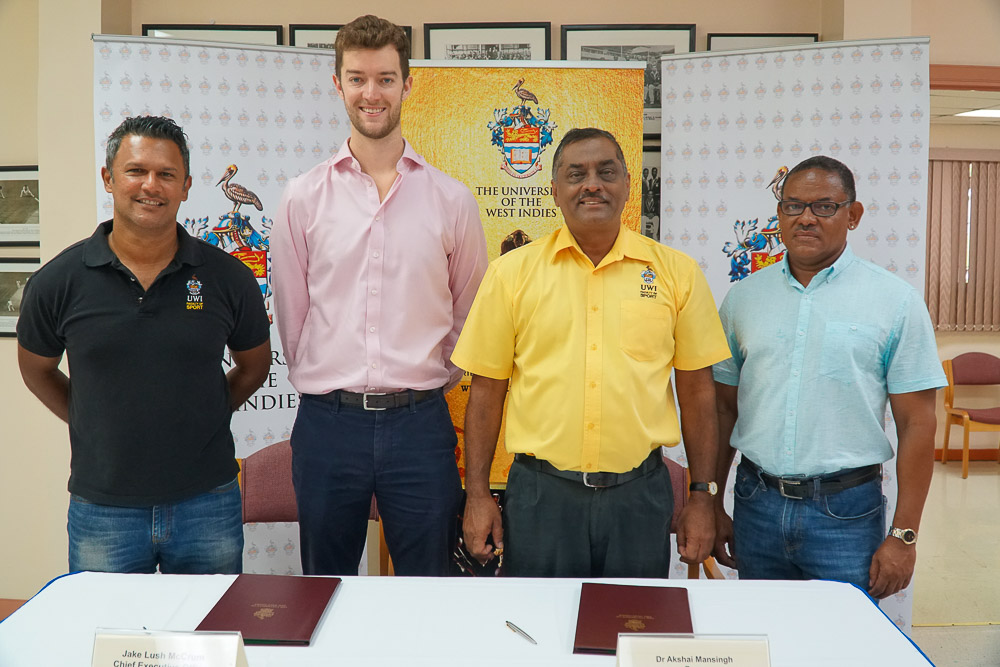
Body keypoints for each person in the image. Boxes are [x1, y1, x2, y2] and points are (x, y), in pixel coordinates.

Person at [452, 128, 731, 577]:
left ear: (626, 185)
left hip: (639, 498)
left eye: (607, 171)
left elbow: (699, 394)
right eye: (575, 174)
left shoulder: (677, 273)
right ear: (555, 192)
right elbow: (486, 392)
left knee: (633, 630)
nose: (592, 184)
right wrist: (478, 495)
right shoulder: (511, 275)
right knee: (542, 632)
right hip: (541, 497)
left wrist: (703, 496)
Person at [270, 15, 488, 576]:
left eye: (386, 79)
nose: (373, 93)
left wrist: (431, 378)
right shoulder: (302, 197)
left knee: (428, 589)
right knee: (325, 588)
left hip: (420, 426)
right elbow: (293, 317)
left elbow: (471, 314)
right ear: (338, 84)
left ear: (408, 84)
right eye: (359, 78)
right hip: (327, 424)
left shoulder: (451, 199)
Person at [16, 116, 271, 574]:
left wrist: (209, 409)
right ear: (109, 179)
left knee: (208, 638)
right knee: (108, 639)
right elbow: (36, 368)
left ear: (187, 186)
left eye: (166, 174)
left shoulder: (228, 277)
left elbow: (254, 367)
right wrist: (89, 415)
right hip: (103, 509)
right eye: (135, 171)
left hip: (207, 504)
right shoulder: (59, 281)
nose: (150, 185)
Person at [712, 155, 945, 598]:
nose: (805, 218)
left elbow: (918, 424)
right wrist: (711, 498)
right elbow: (724, 408)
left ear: (852, 215)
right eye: (792, 206)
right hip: (756, 502)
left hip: (846, 512)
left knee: (844, 647)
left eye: (824, 207)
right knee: (765, 638)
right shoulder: (743, 299)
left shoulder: (894, 301)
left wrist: (905, 534)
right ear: (779, 214)